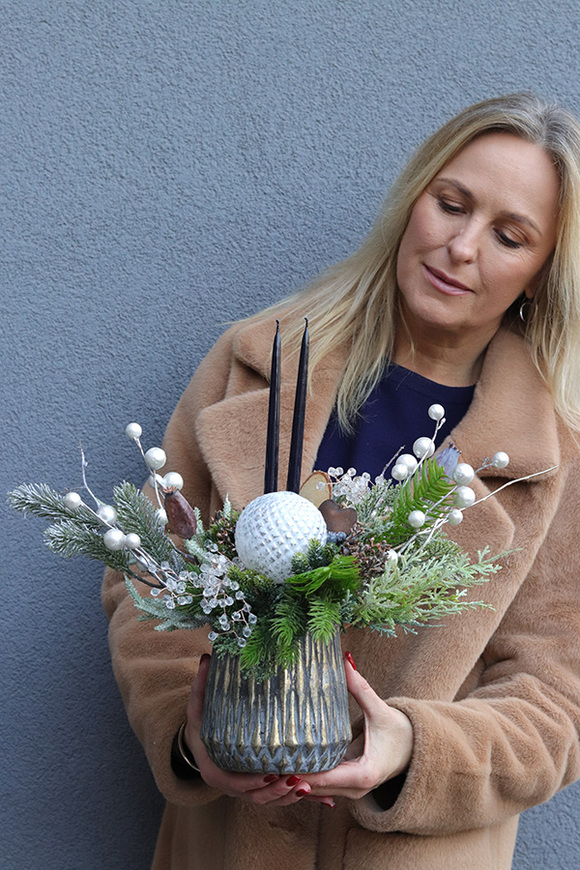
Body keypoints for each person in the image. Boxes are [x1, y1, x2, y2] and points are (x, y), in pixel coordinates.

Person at [102, 93, 580, 869]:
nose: (461, 247)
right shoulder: (254, 366)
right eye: (450, 204)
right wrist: (192, 735)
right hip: (226, 845)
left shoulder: (554, 457)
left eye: (508, 235)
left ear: (539, 273)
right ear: (411, 202)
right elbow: (148, 575)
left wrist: (413, 753)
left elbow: (557, 701)